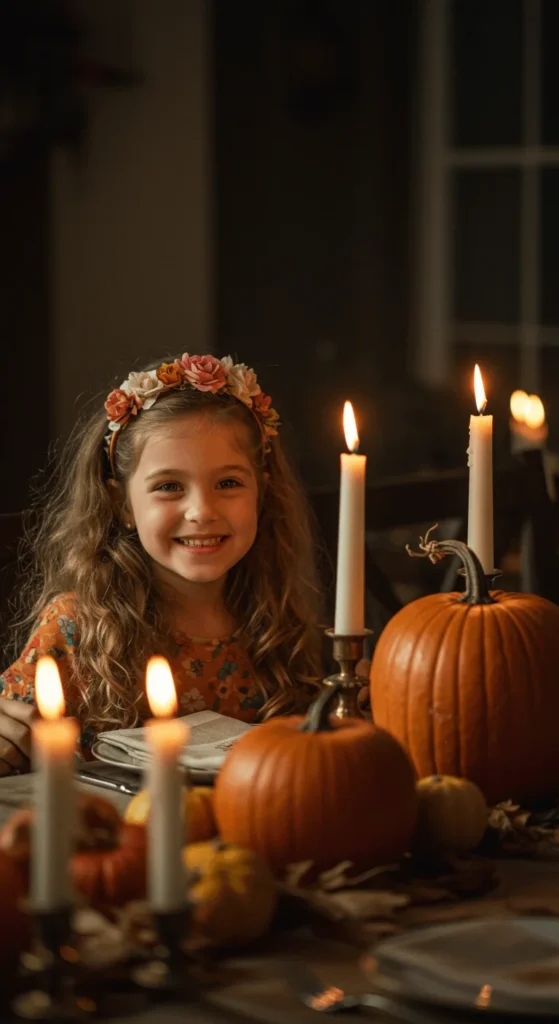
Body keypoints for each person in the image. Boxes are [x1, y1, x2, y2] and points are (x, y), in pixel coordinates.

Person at [0, 353, 324, 775]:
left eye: (228, 483)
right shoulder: (77, 625)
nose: (202, 511)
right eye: (169, 486)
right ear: (122, 504)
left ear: (262, 493)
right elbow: (12, 740)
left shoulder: (275, 614)